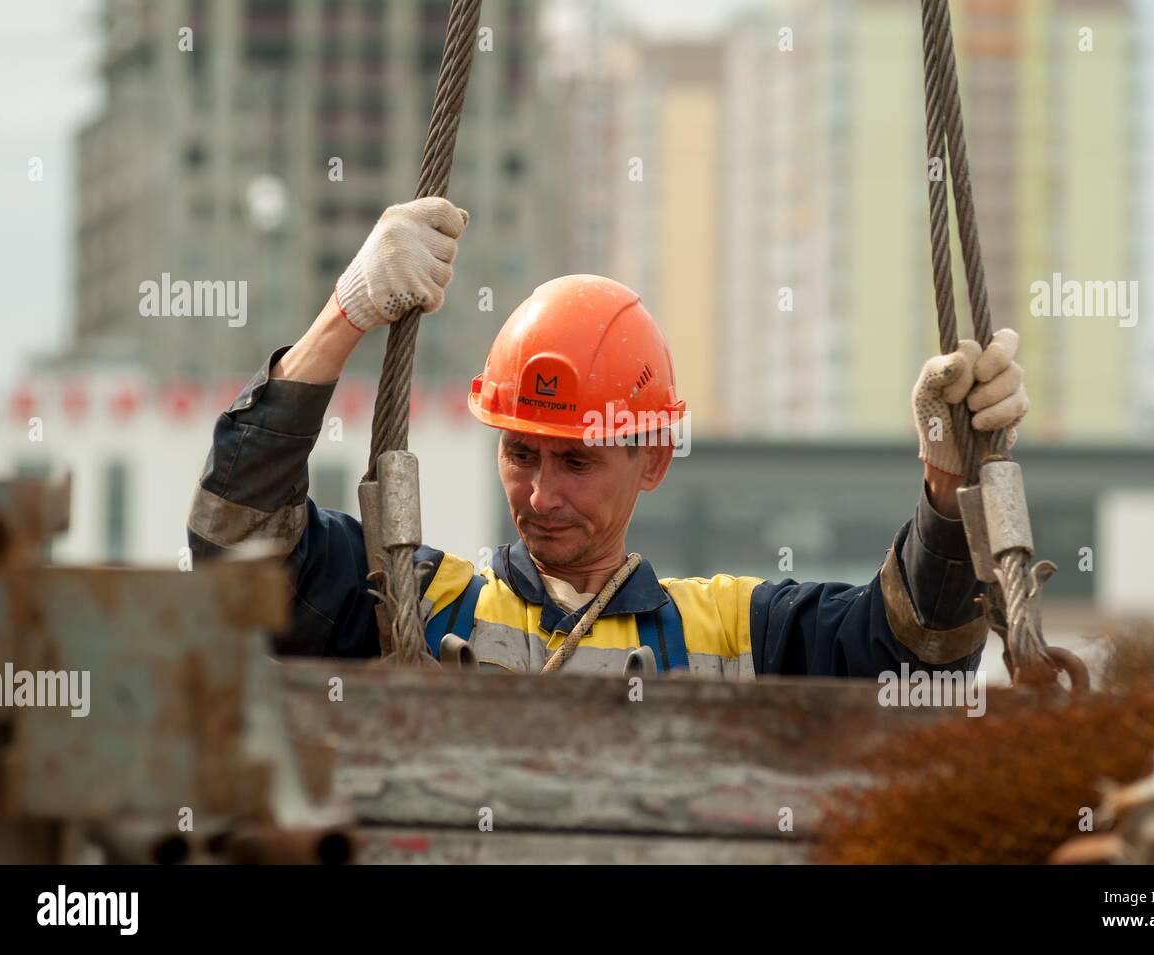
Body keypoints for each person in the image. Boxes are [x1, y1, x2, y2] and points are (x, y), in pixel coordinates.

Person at [187, 197, 1030, 678]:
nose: (541, 494)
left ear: (653, 458)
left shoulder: (734, 632)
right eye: (520, 453)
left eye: (577, 460)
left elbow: (921, 647)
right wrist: (346, 313)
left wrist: (947, 478)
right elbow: (236, 547)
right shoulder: (417, 600)